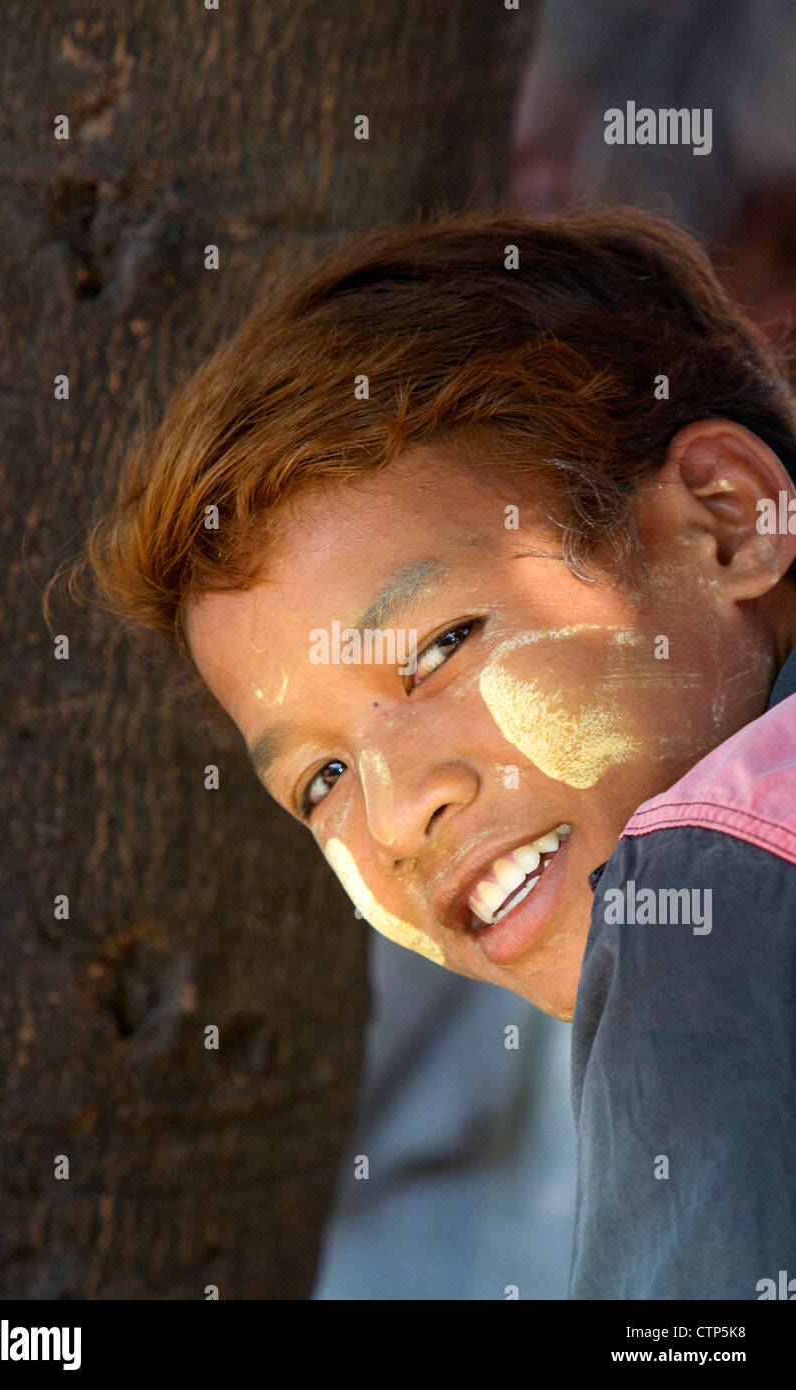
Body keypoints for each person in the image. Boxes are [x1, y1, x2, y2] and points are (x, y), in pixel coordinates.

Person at [56, 206, 796, 1298]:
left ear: (724, 522)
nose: (396, 816)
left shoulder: (705, 896)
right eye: (321, 781)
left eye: (437, 648)